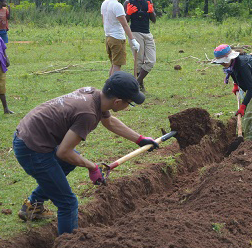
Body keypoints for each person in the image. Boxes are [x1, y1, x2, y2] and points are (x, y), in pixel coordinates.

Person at [14, 71, 158, 235]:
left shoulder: (93, 94)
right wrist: (92, 167)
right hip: (32, 148)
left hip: (33, 136)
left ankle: (33, 206)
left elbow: (108, 121)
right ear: (117, 102)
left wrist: (139, 139)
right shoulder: (87, 114)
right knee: (68, 203)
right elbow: (63, 152)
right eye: (130, 103)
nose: (128, 106)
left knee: (69, 162)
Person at [212, 44, 252, 140]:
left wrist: (243, 106)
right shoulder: (233, 63)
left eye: (224, 62)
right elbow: (233, 72)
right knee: (248, 111)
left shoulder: (242, 65)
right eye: (221, 63)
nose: (223, 64)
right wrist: (236, 84)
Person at [101, 0, 140, 77]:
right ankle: (113, 89)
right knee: (117, 67)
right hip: (117, 38)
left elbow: (104, 21)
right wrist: (133, 40)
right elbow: (125, 24)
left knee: (114, 65)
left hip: (108, 37)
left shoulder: (105, 3)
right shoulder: (117, 5)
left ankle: (108, 88)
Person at [123, 0, 157, 92]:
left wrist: (151, 11)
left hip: (147, 32)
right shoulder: (128, 1)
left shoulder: (148, 0)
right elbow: (124, 22)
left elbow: (154, 20)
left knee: (151, 61)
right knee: (139, 61)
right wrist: (128, 13)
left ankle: (136, 83)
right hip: (135, 33)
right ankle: (140, 86)